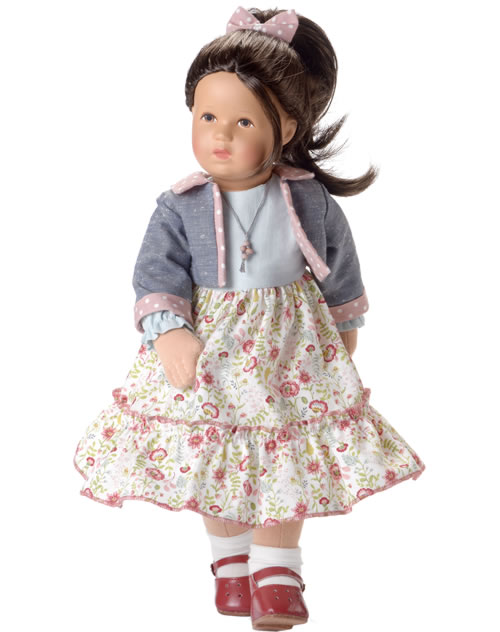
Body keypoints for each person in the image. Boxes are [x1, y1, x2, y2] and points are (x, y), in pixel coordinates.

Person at [73, 7, 425, 629]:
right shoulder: (179, 205)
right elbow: (155, 274)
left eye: (243, 122)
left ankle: (277, 566)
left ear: (285, 127)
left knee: (285, 448)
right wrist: (170, 330)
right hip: (212, 346)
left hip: (291, 349)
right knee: (217, 445)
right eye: (207, 117)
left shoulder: (307, 198)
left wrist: (345, 326)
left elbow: (339, 266)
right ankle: (230, 560)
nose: (221, 136)